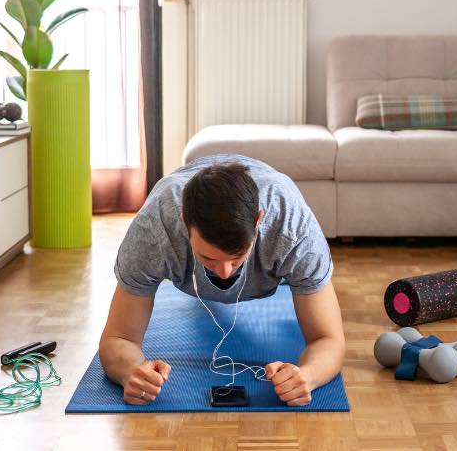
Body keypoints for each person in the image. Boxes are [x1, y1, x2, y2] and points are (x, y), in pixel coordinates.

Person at [99, 154, 345, 407]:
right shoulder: (154, 229)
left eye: (236, 259)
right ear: (184, 223)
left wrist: (307, 375)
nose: (224, 272)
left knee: (299, 274)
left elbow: (328, 339)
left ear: (259, 220)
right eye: (209, 258)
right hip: (173, 227)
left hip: (275, 252)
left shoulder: (292, 228)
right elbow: (118, 338)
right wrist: (132, 372)